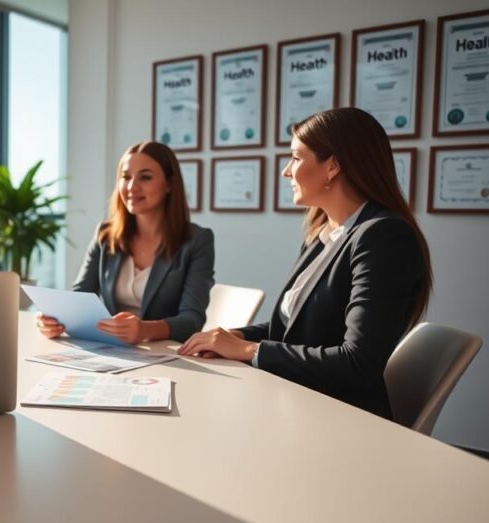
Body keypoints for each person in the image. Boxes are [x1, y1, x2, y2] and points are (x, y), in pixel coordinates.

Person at [178, 107, 432, 418]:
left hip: (339, 420)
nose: (287, 171)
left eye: (296, 158)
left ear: (333, 166)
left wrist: (248, 350)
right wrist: (233, 337)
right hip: (295, 401)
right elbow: (289, 329)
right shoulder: (325, 233)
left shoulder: (384, 237)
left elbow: (357, 364)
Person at [37, 141, 214, 345]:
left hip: (165, 354)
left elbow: (192, 320)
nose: (132, 187)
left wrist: (145, 330)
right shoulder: (106, 234)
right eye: (126, 177)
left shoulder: (197, 240)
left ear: (169, 184)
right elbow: (80, 297)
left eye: (145, 177)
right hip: (110, 350)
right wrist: (53, 319)